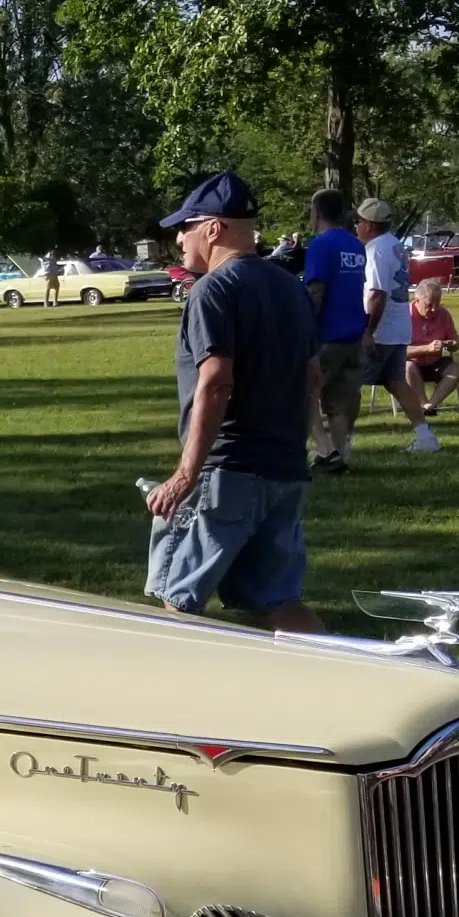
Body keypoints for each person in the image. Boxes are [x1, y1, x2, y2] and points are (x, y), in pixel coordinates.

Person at [141, 171, 325, 633]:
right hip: (284, 466)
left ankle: (182, 703)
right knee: (277, 602)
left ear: (213, 228)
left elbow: (216, 381)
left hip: (227, 470)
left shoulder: (213, 289)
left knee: (176, 599)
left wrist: (186, 475)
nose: (180, 238)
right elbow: (312, 377)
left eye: (185, 226)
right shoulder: (290, 287)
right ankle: (347, 685)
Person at [354, 196, 440, 454]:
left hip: (381, 328)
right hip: (399, 325)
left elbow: (377, 293)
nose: (355, 225)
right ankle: (425, 437)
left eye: (358, 221)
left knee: (348, 383)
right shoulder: (395, 245)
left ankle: (339, 442)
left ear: (369, 224)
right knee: (396, 382)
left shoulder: (377, 250)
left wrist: (368, 331)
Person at [300, 190, 369, 473]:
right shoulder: (356, 245)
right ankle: (339, 454)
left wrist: (303, 326)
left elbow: (316, 290)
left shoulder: (321, 245)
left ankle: (326, 451)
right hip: (353, 332)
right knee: (342, 400)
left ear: (316, 213)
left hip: (326, 334)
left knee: (304, 392)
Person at [405, 279, 459, 407]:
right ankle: (422, 403)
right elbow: (398, 351)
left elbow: (456, 342)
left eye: (437, 304)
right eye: (429, 305)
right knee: (407, 367)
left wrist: (450, 344)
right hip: (412, 362)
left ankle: (431, 405)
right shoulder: (404, 315)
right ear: (418, 300)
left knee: (455, 368)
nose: (434, 309)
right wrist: (427, 349)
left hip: (435, 362)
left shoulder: (443, 314)